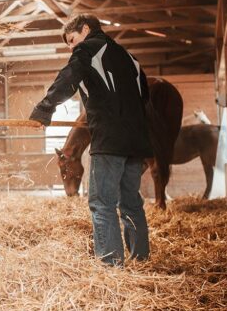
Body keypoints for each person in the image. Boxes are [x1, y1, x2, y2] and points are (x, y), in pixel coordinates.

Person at [28, 14, 152, 267]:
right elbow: (144, 97)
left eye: (72, 40)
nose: (72, 47)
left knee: (102, 204)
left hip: (110, 140)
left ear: (85, 29)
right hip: (136, 141)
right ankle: (141, 260)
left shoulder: (89, 48)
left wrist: (44, 109)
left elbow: (68, 77)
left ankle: (110, 265)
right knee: (131, 203)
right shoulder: (130, 59)